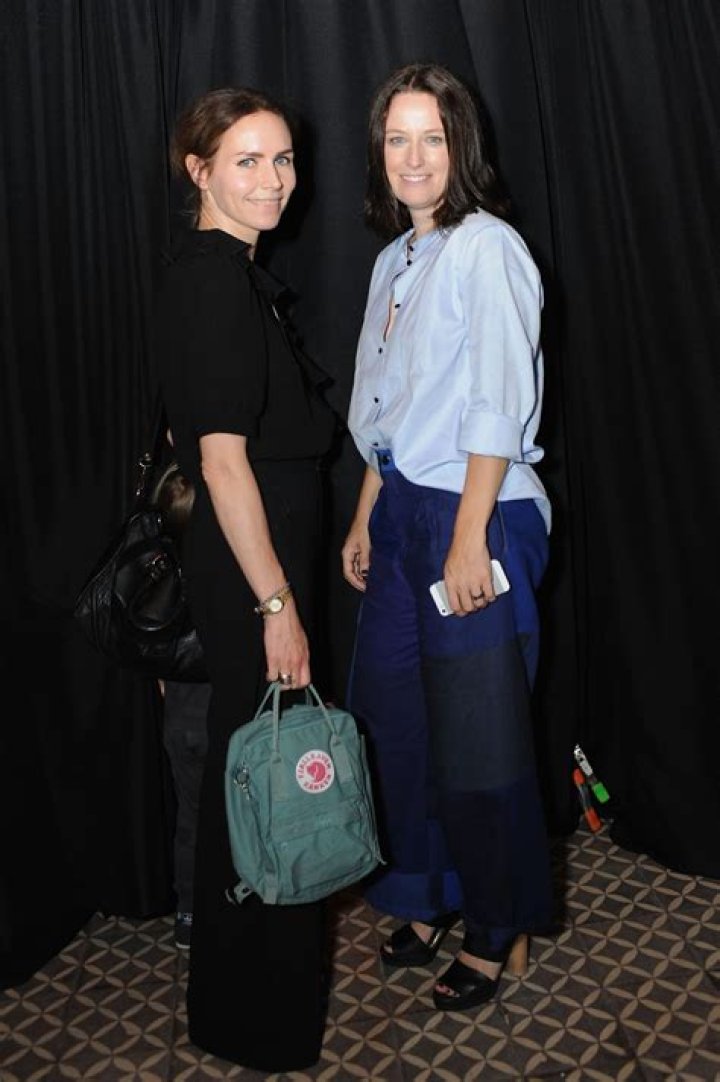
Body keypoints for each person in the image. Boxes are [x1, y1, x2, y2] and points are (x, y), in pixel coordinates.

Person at [342, 63, 553, 1012]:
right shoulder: (395, 260)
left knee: (479, 738)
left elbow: (497, 402)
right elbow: (386, 411)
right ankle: (429, 891)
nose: (415, 157)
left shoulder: (488, 247)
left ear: (464, 146)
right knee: (396, 720)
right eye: (398, 138)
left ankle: (497, 922)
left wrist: (469, 539)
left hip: (481, 508)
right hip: (401, 511)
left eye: (433, 137)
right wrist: (364, 514)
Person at [153, 87, 336, 1070]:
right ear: (200, 170)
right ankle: (259, 1015)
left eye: (284, 159)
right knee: (268, 784)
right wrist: (276, 605)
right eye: (248, 161)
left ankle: (243, 1005)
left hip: (257, 563)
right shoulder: (213, 283)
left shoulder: (225, 275)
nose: (274, 180)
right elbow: (221, 462)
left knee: (254, 778)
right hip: (252, 575)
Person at [152, 462, 210, 953]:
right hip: (218, 720)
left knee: (191, 819)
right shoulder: (224, 586)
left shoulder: (161, 582)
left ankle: (189, 913)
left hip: (179, 722)